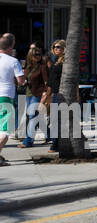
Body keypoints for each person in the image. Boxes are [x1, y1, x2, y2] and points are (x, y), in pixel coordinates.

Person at [0, 33, 27, 165]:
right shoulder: (12, 61)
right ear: (11, 46)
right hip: (5, 96)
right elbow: (21, 81)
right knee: (5, 130)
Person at [21, 43, 50, 148]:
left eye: (39, 54)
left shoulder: (42, 67)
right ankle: (50, 135)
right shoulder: (28, 67)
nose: (38, 56)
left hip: (38, 94)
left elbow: (47, 82)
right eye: (35, 54)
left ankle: (28, 141)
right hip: (29, 93)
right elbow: (23, 79)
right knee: (35, 117)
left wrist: (45, 95)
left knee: (33, 116)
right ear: (30, 56)